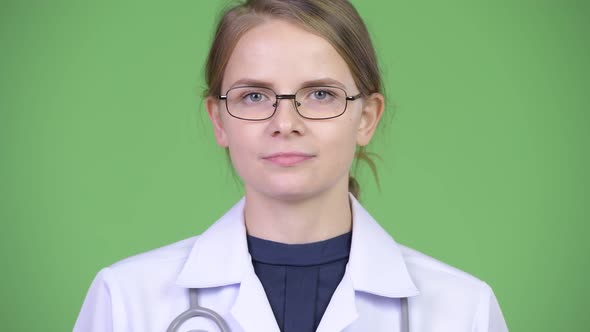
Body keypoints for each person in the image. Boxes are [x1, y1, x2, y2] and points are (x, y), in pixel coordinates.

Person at [74, 0, 509, 331]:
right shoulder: (125, 300)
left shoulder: (462, 309)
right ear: (218, 120)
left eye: (320, 94)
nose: (285, 123)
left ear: (367, 118)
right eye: (254, 96)